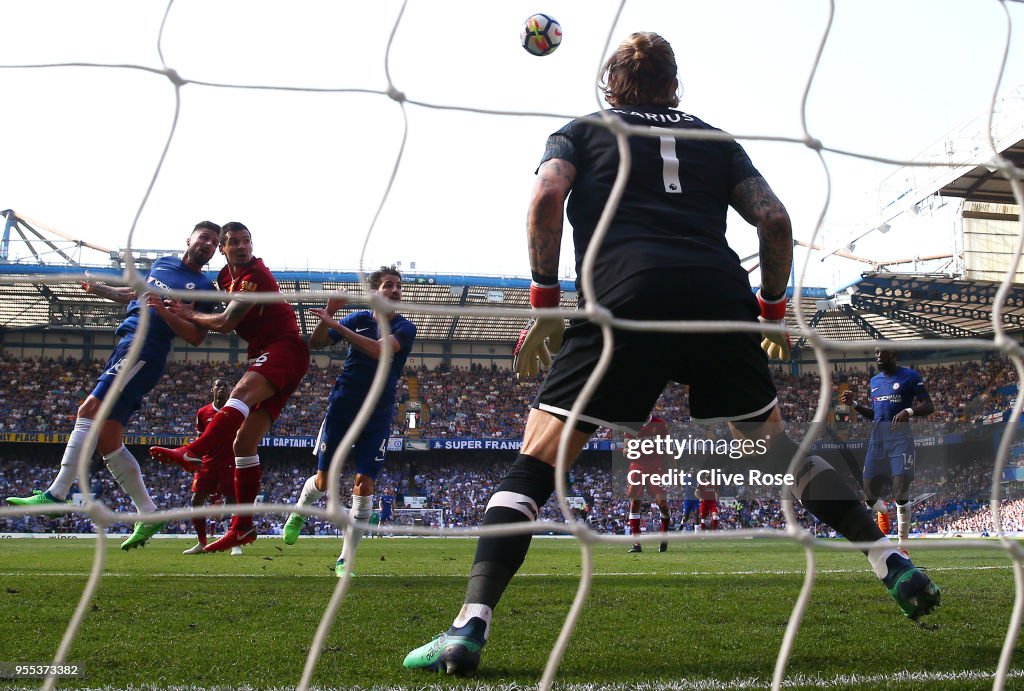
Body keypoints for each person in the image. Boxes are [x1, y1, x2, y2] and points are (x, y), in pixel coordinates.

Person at [403, 32, 939, 676]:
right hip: (717, 295)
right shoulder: (716, 140)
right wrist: (770, 311)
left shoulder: (581, 131)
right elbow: (774, 220)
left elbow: (547, 198)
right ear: (674, 84)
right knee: (776, 447)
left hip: (623, 298)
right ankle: (890, 560)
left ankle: (469, 626)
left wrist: (545, 304)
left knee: (537, 461)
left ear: (611, 84)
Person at [6, 221, 220, 551]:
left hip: (146, 349)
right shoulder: (161, 265)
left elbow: (195, 336)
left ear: (213, 252)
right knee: (108, 440)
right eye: (203, 237)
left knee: (88, 409)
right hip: (127, 343)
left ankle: (56, 493)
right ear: (189, 239)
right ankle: (148, 513)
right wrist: (100, 290)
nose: (207, 244)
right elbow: (134, 294)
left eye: (213, 242)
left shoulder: (204, 287)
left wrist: (164, 312)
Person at [149, 221, 310, 552]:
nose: (241, 246)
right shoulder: (225, 277)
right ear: (223, 249)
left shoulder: (256, 276)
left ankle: (194, 451)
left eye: (245, 241)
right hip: (265, 353)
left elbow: (224, 322)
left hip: (284, 348)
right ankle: (243, 527)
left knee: (238, 395)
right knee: (242, 444)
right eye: (233, 242)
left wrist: (187, 314)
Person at [281, 266, 416, 576]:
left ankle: (345, 560)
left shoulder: (406, 328)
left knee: (364, 484)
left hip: (378, 413)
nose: (395, 290)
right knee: (324, 481)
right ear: (374, 292)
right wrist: (328, 314)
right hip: (343, 407)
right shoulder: (357, 320)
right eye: (388, 285)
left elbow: (380, 351)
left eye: (398, 286)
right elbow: (316, 343)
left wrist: (335, 326)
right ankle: (301, 510)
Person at [840, 348, 934, 551]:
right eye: (875, 353)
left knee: (900, 491)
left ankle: (903, 546)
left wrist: (908, 411)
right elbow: (876, 415)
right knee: (869, 496)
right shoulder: (874, 382)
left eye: (882, 352)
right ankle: (882, 511)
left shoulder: (910, 376)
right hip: (877, 441)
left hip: (901, 440)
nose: (878, 356)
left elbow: (929, 405)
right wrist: (854, 404)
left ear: (893, 354)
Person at [181, 377, 243, 556]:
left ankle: (234, 542)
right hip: (208, 462)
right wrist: (195, 457)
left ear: (230, 390)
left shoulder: (235, 410)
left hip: (230, 461)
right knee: (196, 501)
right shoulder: (203, 412)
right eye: (218, 386)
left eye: (225, 386)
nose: (222, 388)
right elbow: (200, 438)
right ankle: (201, 542)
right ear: (212, 390)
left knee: (232, 501)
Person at [623, 415, 671, 553]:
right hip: (637, 466)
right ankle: (636, 544)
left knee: (662, 505)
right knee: (635, 504)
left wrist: (674, 469)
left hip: (656, 467)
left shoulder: (660, 424)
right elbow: (625, 450)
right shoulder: (630, 425)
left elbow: (668, 448)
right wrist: (630, 451)